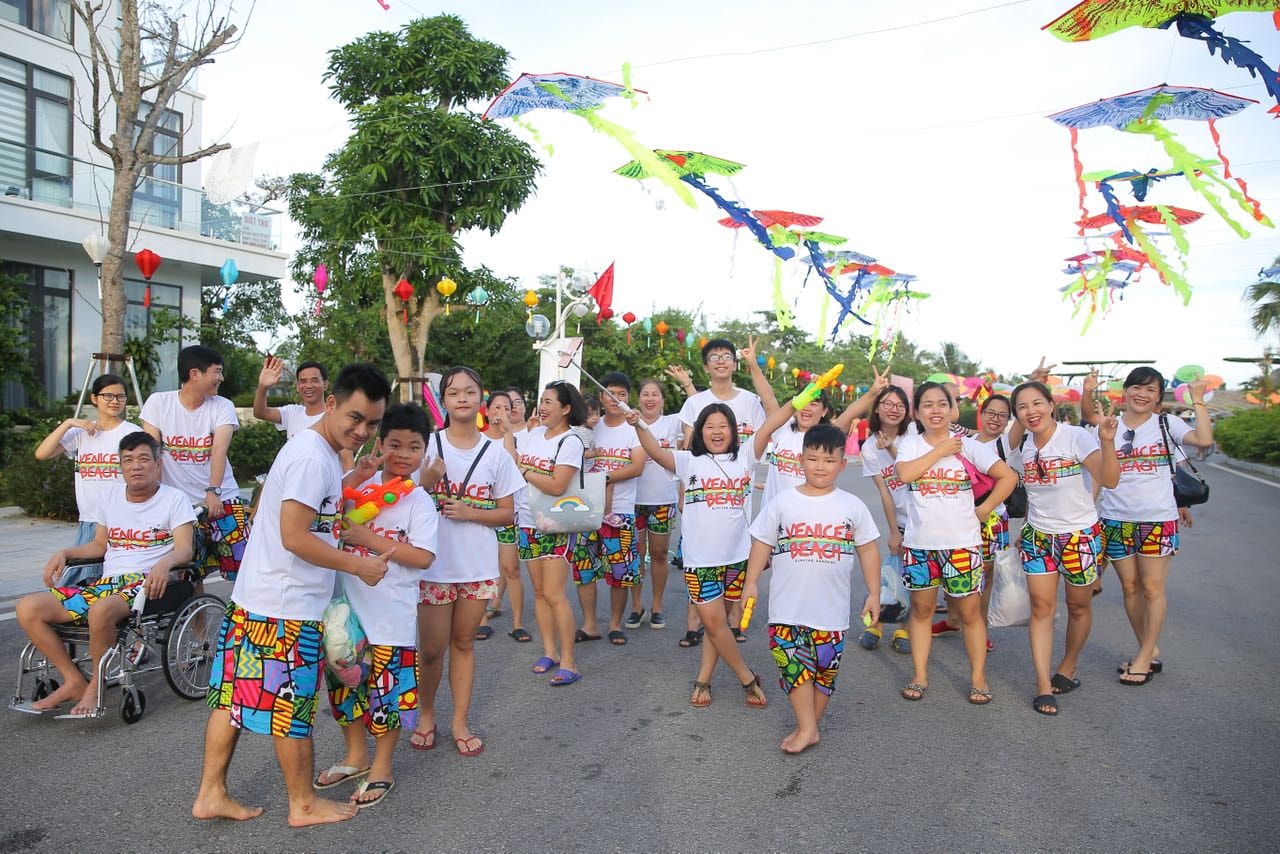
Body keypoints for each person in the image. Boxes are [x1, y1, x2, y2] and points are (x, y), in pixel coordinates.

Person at [193, 363, 395, 827]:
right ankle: (302, 804)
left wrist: (354, 480)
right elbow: (295, 536)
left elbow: (318, 510)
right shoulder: (311, 456)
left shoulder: (319, 452)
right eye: (355, 418)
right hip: (285, 609)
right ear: (330, 405)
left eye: (371, 423)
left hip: (257, 600)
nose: (362, 430)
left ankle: (211, 792)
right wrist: (358, 565)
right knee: (291, 707)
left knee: (233, 699)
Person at [627, 390, 795, 710]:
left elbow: (772, 423)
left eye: (724, 426)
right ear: (700, 431)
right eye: (709, 426)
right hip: (700, 560)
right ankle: (746, 677)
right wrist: (639, 426)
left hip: (738, 558)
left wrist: (801, 399)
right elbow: (654, 451)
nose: (717, 432)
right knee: (715, 624)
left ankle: (704, 678)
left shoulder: (745, 455)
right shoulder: (687, 460)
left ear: (733, 431)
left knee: (718, 625)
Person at [15, 431, 195, 717]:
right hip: (107, 585)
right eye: (129, 460)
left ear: (157, 464)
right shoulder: (109, 496)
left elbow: (186, 549)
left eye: (144, 459)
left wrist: (165, 562)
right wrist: (66, 553)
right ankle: (73, 680)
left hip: (149, 584)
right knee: (28, 607)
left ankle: (94, 688)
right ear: (120, 466)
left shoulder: (174, 499)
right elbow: (100, 545)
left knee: (100, 611)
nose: (136, 466)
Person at [317, 403, 438, 807]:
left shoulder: (420, 502)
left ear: (425, 451)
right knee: (343, 687)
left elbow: (423, 558)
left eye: (414, 447)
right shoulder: (357, 488)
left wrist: (370, 541)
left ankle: (383, 766)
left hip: (391, 616)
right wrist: (357, 476)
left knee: (387, 694)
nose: (403, 454)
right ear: (379, 444)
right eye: (394, 445)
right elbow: (330, 514)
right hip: (345, 611)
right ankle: (355, 756)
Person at [742, 424, 882, 753]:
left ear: (843, 464)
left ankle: (809, 727)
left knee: (823, 674)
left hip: (831, 612)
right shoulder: (782, 502)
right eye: (812, 458)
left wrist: (874, 594)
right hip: (786, 608)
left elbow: (868, 550)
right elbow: (762, 544)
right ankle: (807, 728)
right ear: (800, 460)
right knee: (793, 667)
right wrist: (750, 584)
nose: (820, 466)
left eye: (829, 460)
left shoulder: (852, 505)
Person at [1081, 367, 1214, 685]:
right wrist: (1088, 510)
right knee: (1130, 588)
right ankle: (1148, 648)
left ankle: (1142, 658)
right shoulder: (1108, 426)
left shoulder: (1167, 423)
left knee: (1152, 589)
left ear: (1158, 398)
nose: (1143, 394)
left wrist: (1197, 400)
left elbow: (1204, 440)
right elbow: (1099, 474)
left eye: (1151, 390)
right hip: (1116, 519)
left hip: (1157, 519)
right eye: (1137, 387)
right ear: (1125, 391)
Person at [415, 368, 522, 754]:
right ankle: (426, 714)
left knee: (464, 643)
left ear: (481, 399)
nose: (462, 398)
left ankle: (460, 721)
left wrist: (470, 512)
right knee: (430, 649)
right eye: (454, 392)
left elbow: (508, 513)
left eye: (470, 392)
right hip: (432, 565)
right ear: (443, 400)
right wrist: (425, 481)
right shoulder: (426, 445)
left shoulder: (497, 452)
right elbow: (397, 497)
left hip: (476, 566)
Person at [893, 382, 1017, 706]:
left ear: (953, 410)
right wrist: (940, 451)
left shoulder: (973, 447)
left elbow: (1009, 478)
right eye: (927, 405)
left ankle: (978, 677)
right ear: (917, 413)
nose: (935, 410)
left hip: (963, 545)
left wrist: (984, 510)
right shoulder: (909, 445)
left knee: (969, 612)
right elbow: (904, 475)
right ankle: (920, 675)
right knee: (921, 611)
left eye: (941, 404)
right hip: (920, 545)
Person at [1012, 379, 1119, 716]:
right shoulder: (1025, 447)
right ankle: (1043, 684)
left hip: (1079, 536)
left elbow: (1110, 479)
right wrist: (1027, 524)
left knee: (1077, 606)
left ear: (1051, 404)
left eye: (1037, 403)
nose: (1032, 412)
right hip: (1038, 537)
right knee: (1041, 609)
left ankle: (1068, 666)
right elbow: (1034, 492)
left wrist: (1107, 442)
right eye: (1023, 407)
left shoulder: (1076, 436)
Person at [509, 381, 594, 686]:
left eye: (549, 402)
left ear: (566, 409)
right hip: (528, 521)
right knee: (541, 592)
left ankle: (569, 661)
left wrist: (525, 471)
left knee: (556, 594)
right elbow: (514, 462)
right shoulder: (533, 435)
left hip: (557, 523)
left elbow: (558, 485)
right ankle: (550, 652)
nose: (542, 407)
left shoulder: (570, 442)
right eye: (541, 400)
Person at [140, 345, 246, 580]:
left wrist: (213, 491)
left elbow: (219, 450)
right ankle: (197, 616)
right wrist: (154, 498)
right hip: (180, 505)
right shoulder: (159, 403)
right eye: (216, 372)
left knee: (242, 567)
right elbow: (151, 453)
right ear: (194, 374)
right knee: (188, 573)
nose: (221, 378)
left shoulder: (222, 405)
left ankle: (241, 614)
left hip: (221, 498)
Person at [33, 373, 141, 585]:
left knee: (105, 584)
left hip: (120, 521)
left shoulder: (132, 433)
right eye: (108, 396)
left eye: (120, 396)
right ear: (94, 399)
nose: (114, 401)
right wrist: (68, 424)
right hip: (89, 520)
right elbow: (42, 454)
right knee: (81, 583)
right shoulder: (81, 433)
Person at [932, 394, 1016, 646]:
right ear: (981, 412)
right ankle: (954, 619)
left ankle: (980, 626)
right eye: (991, 412)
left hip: (992, 519)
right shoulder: (964, 441)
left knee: (985, 575)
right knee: (953, 569)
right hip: (959, 518)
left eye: (1002, 415)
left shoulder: (1007, 443)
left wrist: (1034, 380)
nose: (995, 419)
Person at [577, 372, 647, 645]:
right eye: (610, 393)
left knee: (619, 572)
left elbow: (637, 466)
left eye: (622, 394)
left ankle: (616, 623)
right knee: (585, 569)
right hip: (584, 509)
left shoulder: (634, 429)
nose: (615, 399)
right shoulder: (590, 425)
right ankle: (590, 624)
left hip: (620, 512)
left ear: (628, 398)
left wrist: (604, 478)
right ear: (601, 397)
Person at [856, 384, 913, 654]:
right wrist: (894, 531)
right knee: (892, 572)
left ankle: (905, 628)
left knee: (918, 576)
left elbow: (910, 472)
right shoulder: (869, 448)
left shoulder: (915, 434)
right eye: (888, 403)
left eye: (900, 404)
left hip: (929, 516)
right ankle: (876, 623)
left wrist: (891, 449)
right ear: (877, 408)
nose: (894, 409)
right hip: (903, 518)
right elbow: (885, 491)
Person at [475, 390, 530, 643]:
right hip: (482, 513)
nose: (501, 413)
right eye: (496, 408)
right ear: (486, 411)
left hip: (508, 513)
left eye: (506, 408)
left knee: (511, 569)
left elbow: (511, 465)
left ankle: (517, 623)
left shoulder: (513, 439)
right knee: (482, 567)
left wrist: (508, 432)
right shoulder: (477, 440)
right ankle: (482, 619)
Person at [630, 378, 683, 633]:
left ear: (662, 400)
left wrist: (685, 383)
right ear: (638, 399)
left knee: (660, 554)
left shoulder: (672, 423)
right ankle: (636, 605)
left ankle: (657, 607)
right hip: (632, 500)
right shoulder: (629, 425)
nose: (650, 398)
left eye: (655, 394)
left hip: (663, 500)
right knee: (636, 554)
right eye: (645, 394)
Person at [254, 356, 328, 437]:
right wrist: (262, 386)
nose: (308, 386)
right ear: (297, 386)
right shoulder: (292, 412)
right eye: (303, 381)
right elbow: (260, 413)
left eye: (314, 380)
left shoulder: (334, 417)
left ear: (325, 385)